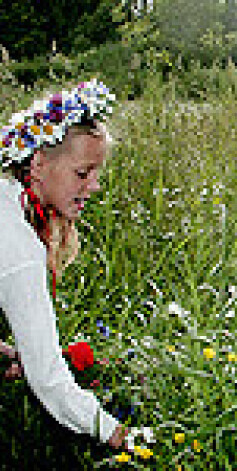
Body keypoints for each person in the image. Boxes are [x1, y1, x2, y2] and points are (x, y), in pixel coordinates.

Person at [0, 80, 128, 463]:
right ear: (38, 164)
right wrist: (121, 436)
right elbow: (50, 381)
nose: (94, 186)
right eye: (82, 173)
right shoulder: (17, 244)